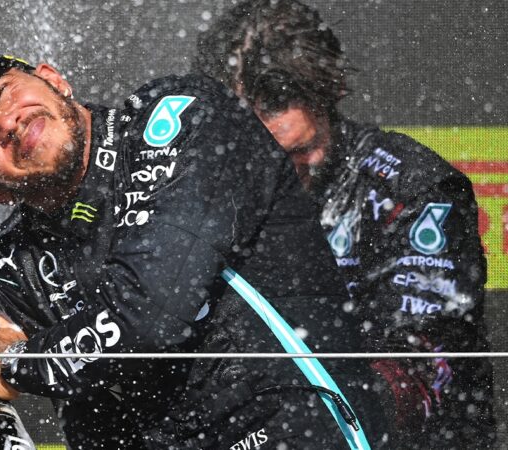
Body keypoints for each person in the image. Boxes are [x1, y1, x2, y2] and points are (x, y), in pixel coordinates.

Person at [0, 46, 391, 449]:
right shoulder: (18, 260)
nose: (5, 122)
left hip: (300, 429)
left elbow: (152, 313)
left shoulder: (179, 114)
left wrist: (14, 364)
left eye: (4, 91)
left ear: (53, 78)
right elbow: (96, 425)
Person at [194, 1, 495, 447]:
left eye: (296, 154)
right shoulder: (210, 188)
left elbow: (428, 358)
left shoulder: (409, 188)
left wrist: (312, 424)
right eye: (257, 158)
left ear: (330, 92)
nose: (275, 176)